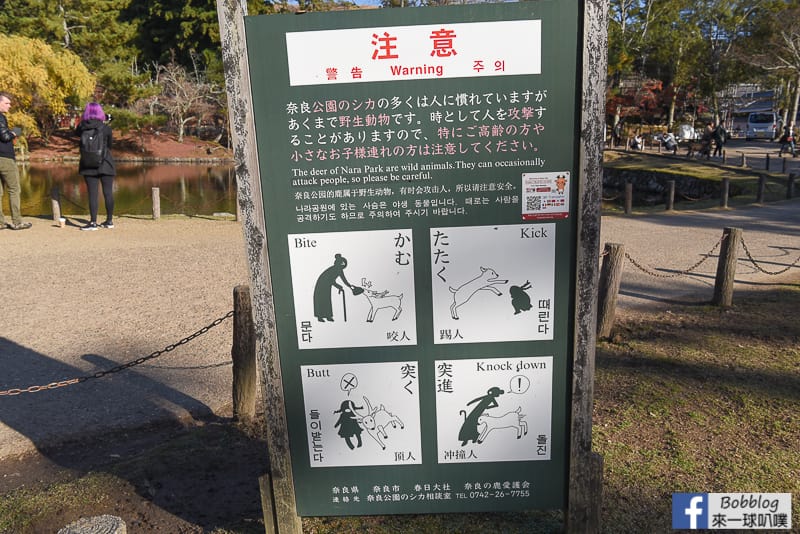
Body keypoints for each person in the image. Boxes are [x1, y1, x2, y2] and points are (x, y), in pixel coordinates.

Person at [76, 102, 116, 231]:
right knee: (108, 193)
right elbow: (110, 145)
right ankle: (109, 221)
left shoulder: (82, 127)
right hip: (105, 162)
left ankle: (93, 222)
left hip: (88, 164)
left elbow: (76, 134)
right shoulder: (106, 128)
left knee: (92, 194)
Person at [0, 91, 31, 230]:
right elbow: (4, 137)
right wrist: (14, 132)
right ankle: (17, 221)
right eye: (6, 103)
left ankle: (0, 222)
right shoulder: (0, 118)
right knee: (14, 189)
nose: (9, 106)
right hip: (5, 158)